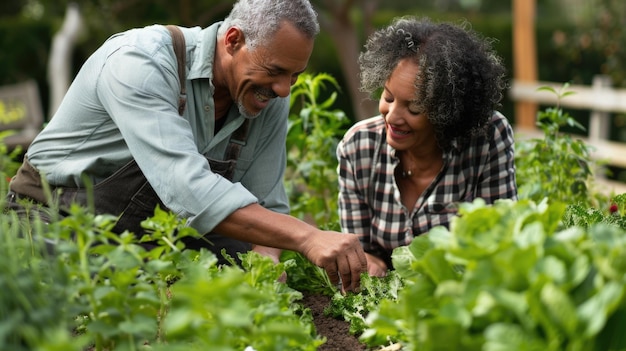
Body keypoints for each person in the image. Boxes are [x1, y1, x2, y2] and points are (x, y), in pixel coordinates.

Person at [7, 0, 366, 291]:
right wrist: (307, 236)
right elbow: (187, 188)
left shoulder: (267, 97)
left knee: (231, 288)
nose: (285, 89)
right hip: (57, 217)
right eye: (275, 71)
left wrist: (266, 260)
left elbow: (267, 202)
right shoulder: (141, 61)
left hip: (162, 237)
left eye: (295, 75)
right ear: (233, 41)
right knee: (72, 300)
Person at [336, 16, 517, 277]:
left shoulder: (487, 137)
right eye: (388, 97)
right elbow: (360, 247)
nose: (392, 117)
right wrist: (369, 262)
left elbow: (502, 234)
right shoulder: (358, 147)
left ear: (447, 111)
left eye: (414, 107)